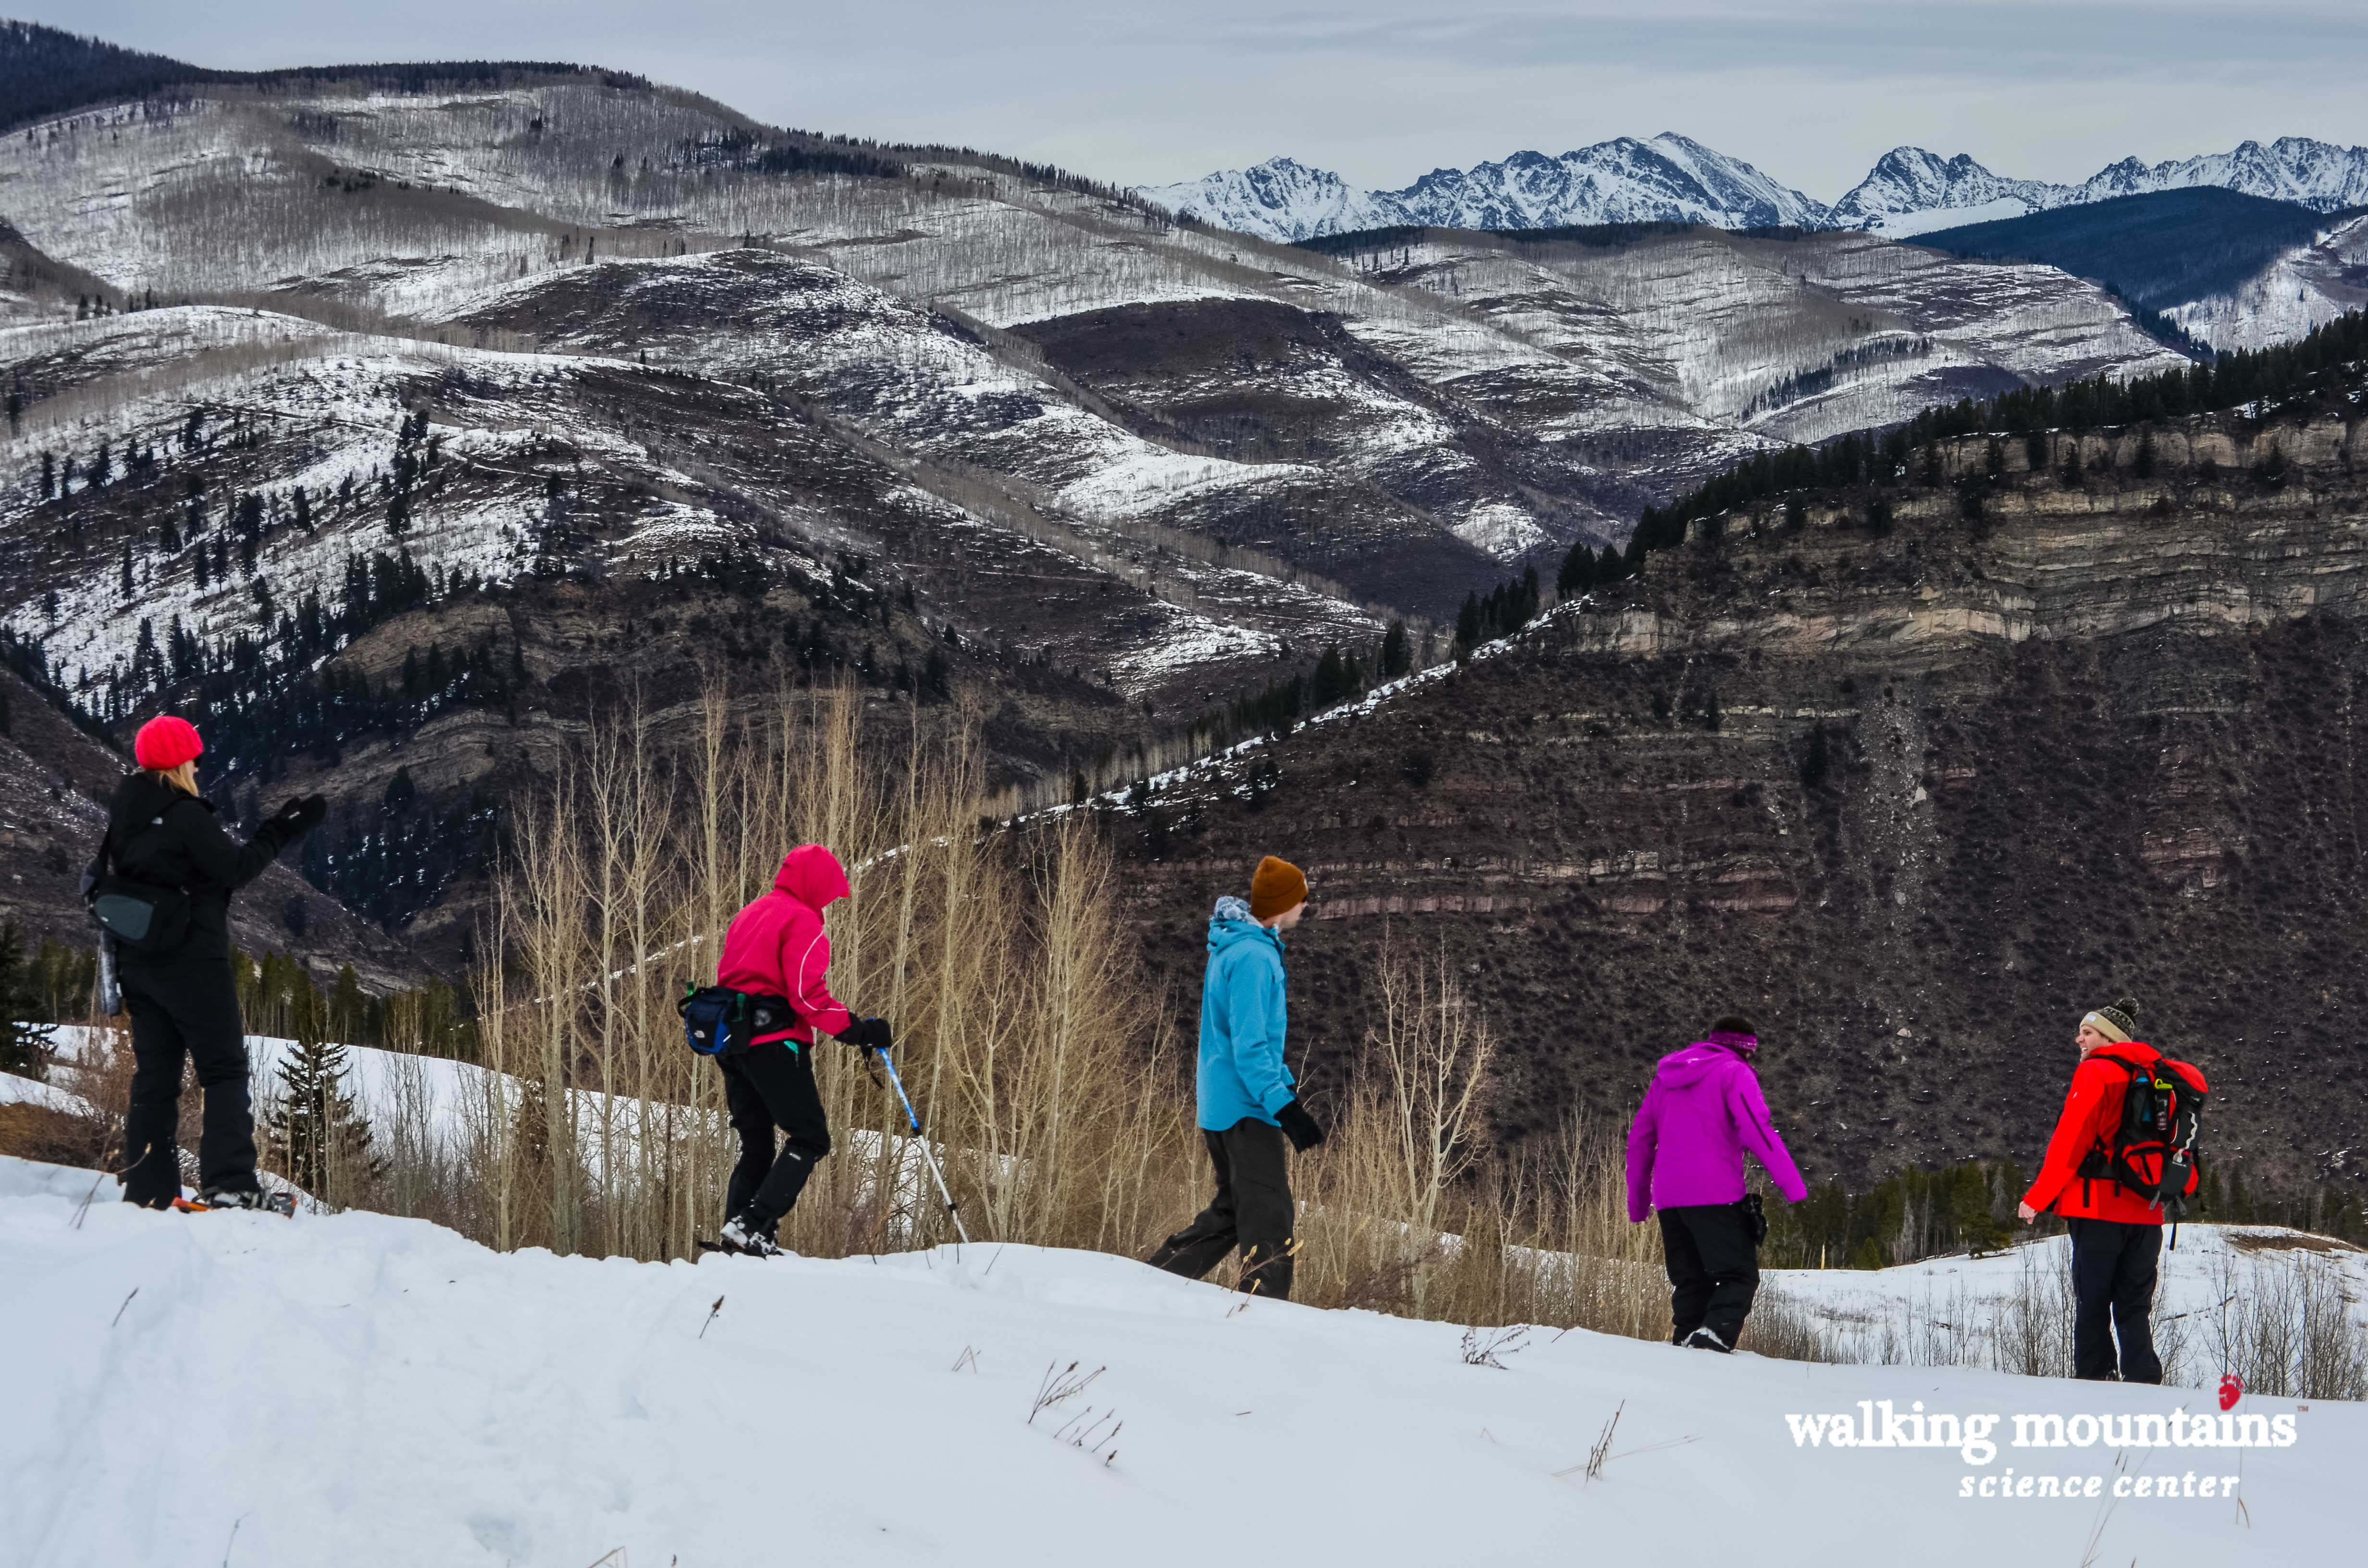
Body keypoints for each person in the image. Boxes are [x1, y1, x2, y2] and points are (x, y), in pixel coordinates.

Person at [98, 715, 325, 1210]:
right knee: (222, 1070)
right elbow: (234, 869)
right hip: (192, 960)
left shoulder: (127, 812)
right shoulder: (183, 814)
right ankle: (231, 1186)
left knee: (155, 1079)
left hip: (137, 961)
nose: (199, 766)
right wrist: (282, 828)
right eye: (195, 757)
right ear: (181, 760)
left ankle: (148, 1189)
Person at [1147, 855, 1325, 1301]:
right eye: (1301, 897)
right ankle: (1264, 1314)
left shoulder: (1237, 946)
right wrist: (1285, 1109)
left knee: (1233, 1209)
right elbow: (1250, 1047)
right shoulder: (1253, 957)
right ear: (1283, 903)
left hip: (1223, 1102)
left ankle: (1152, 1280)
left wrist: (1284, 1089)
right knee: (1269, 1217)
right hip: (1245, 1108)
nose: (1306, 904)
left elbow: (1249, 1039)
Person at [709, 843, 891, 1258]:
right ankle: (754, 1227)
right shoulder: (803, 920)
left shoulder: (750, 913)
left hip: (733, 1043)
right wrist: (860, 1031)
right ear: (815, 885)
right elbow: (807, 998)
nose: (829, 903)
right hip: (775, 1043)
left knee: (756, 1144)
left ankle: (738, 1239)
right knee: (810, 1138)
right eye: (829, 893)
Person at [2016, 998, 2178, 1383]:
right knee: (2134, 1306)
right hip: (2147, 1213)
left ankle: (2095, 1381)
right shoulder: (2160, 1077)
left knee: (2092, 1304)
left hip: (2098, 1211)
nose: (2079, 1040)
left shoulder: (2097, 1073)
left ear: (2109, 1038)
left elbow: (2070, 1142)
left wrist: (2036, 1198)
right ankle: (2144, 1382)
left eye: (2087, 1032)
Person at [1626, 1014, 1807, 1352]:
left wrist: (1638, 1203)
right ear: (1746, 1050)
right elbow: (1757, 1131)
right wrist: (1792, 1186)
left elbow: (1639, 1141)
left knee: (1691, 1281)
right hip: (1715, 1195)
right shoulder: (1734, 1072)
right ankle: (1713, 1339)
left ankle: (1686, 1345)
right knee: (1740, 1276)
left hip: (1669, 1199)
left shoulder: (1666, 1078)